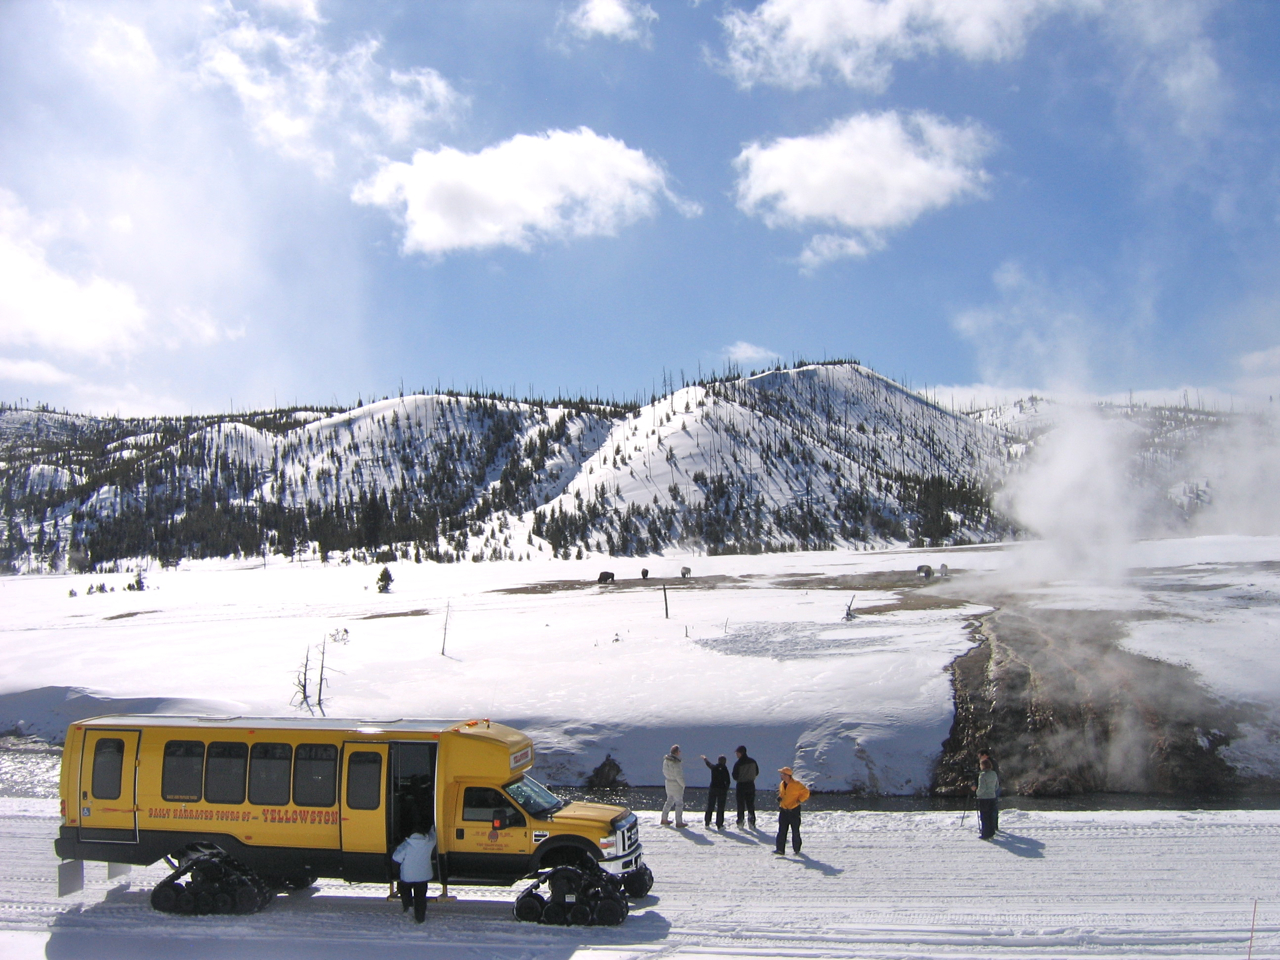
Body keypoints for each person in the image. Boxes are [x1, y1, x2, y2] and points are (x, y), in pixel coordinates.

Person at [392, 823, 437, 922]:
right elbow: (434, 836)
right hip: (423, 877)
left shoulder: (406, 845)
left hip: (407, 877)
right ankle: (420, 918)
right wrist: (432, 827)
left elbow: (396, 858)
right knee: (420, 897)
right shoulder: (429, 842)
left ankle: (408, 906)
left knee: (404, 889)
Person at [774, 767, 810, 855]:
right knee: (782, 830)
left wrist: (799, 800)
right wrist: (780, 797)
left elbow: (806, 792)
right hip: (784, 810)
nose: (781, 775)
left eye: (782, 774)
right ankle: (780, 849)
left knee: (795, 831)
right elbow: (782, 793)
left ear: (787, 775)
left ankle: (797, 849)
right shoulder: (782, 784)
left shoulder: (797, 784)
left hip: (794, 810)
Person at [732, 745, 759, 828]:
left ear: (741, 753)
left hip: (741, 785)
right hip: (751, 784)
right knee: (750, 804)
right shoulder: (753, 761)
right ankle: (752, 821)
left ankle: (740, 821)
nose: (736, 754)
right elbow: (757, 772)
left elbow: (735, 776)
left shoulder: (738, 763)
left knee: (741, 805)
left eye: (737, 753)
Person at [701, 754, 730, 829]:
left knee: (710, 806)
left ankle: (707, 822)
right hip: (722, 790)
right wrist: (726, 788)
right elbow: (728, 781)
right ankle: (719, 824)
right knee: (720, 807)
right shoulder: (725, 769)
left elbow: (709, 764)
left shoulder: (714, 768)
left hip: (713, 789)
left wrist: (705, 759)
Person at [660, 745, 686, 827]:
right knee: (679, 803)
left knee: (669, 800)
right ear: (676, 752)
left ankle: (664, 818)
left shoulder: (665, 761)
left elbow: (663, 771)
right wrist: (683, 785)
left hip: (668, 782)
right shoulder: (676, 763)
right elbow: (678, 776)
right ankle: (679, 822)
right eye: (679, 751)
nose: (680, 752)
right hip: (676, 784)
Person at [975, 757, 1000, 840]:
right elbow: (996, 786)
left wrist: (977, 793)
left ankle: (985, 834)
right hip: (992, 797)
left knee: (984, 816)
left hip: (984, 798)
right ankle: (991, 832)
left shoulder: (982, 775)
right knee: (990, 816)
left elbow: (982, 788)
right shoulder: (994, 774)